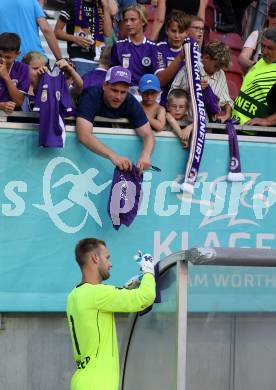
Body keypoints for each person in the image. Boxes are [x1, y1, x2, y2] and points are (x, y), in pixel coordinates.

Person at [66, 237, 156, 390]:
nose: (110, 264)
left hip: (82, 380)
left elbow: (98, 311)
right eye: (107, 257)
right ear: (95, 258)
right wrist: (148, 272)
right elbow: (146, 297)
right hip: (98, 384)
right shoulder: (98, 294)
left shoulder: (74, 295)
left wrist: (124, 291)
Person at [77, 65, 155, 173]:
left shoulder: (130, 101)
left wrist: (145, 155)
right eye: (114, 90)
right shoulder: (91, 96)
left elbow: (148, 134)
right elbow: (83, 135)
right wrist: (113, 156)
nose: (118, 96)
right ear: (104, 85)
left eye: (123, 92)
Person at [110, 4, 166, 100]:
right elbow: (112, 76)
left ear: (143, 21)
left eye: (132, 20)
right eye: (126, 20)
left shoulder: (154, 48)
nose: (128, 23)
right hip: (125, 95)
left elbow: (159, 78)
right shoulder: (118, 46)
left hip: (147, 95)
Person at [171, 41, 233, 123]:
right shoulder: (190, 68)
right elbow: (172, 94)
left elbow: (226, 100)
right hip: (184, 123)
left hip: (209, 126)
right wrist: (193, 87)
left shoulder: (220, 73)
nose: (218, 69)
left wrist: (226, 115)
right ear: (206, 58)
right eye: (217, 66)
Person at [54, 0, 117, 75]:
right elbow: (57, 32)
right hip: (78, 59)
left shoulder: (101, 5)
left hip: (99, 61)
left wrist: (106, 6)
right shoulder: (71, 3)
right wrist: (75, 39)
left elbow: (108, 32)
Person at [232, 27, 276, 127]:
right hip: (235, 126)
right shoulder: (261, 61)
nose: (264, 51)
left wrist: (268, 121)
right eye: (263, 46)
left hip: (254, 136)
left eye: (270, 48)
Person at [156, 10, 189, 107]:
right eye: (174, 31)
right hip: (163, 103)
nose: (177, 36)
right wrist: (179, 58)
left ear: (187, 33)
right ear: (166, 30)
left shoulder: (191, 50)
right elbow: (160, 82)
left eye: (181, 32)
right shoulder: (158, 48)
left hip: (184, 104)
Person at [238, 1, 276, 72]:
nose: (275, 19)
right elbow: (242, 58)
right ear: (268, 16)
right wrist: (254, 64)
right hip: (257, 75)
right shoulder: (257, 34)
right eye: (273, 16)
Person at [0, 33, 30, 113]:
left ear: (17, 54)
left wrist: (6, 77)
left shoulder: (23, 69)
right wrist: (1, 105)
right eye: (0, 56)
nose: (3, 61)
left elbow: (19, 101)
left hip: (14, 115)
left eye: (8, 57)